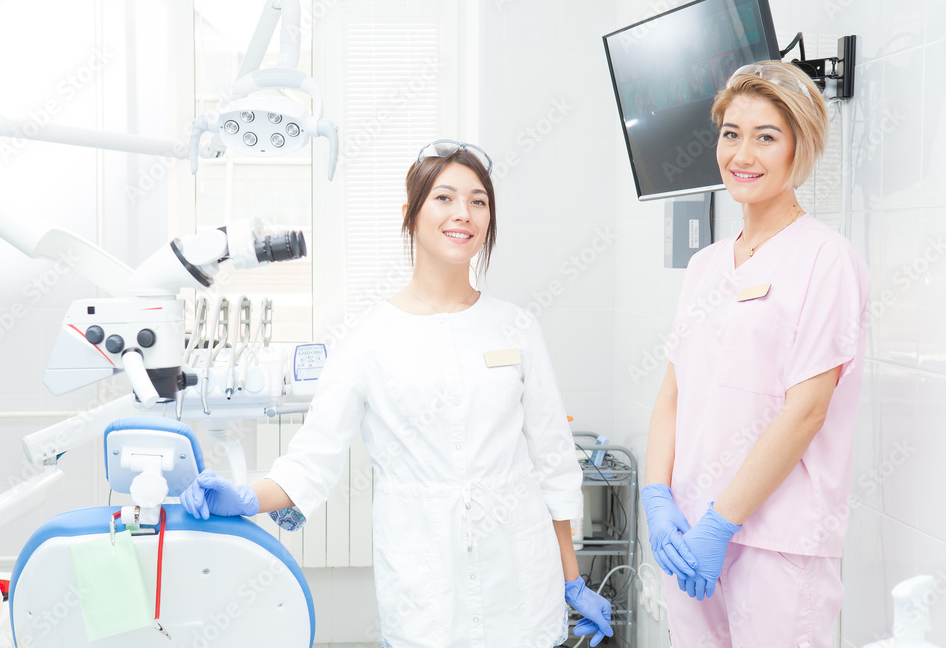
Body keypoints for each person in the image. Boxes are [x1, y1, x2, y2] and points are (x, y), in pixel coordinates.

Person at [180, 140, 614, 648]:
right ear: (410, 214)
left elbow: (553, 462)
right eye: (445, 198)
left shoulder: (516, 328)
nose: (464, 214)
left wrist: (571, 579)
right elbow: (312, 461)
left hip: (519, 580)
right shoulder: (368, 339)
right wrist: (246, 497)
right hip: (425, 587)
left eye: (479, 202)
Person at [640, 62, 869, 647]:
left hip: (776, 543)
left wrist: (723, 521)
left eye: (766, 136)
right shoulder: (705, 266)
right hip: (689, 537)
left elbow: (806, 411)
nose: (743, 153)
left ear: (801, 147)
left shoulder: (825, 259)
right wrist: (658, 496)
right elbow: (673, 393)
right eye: (731, 133)